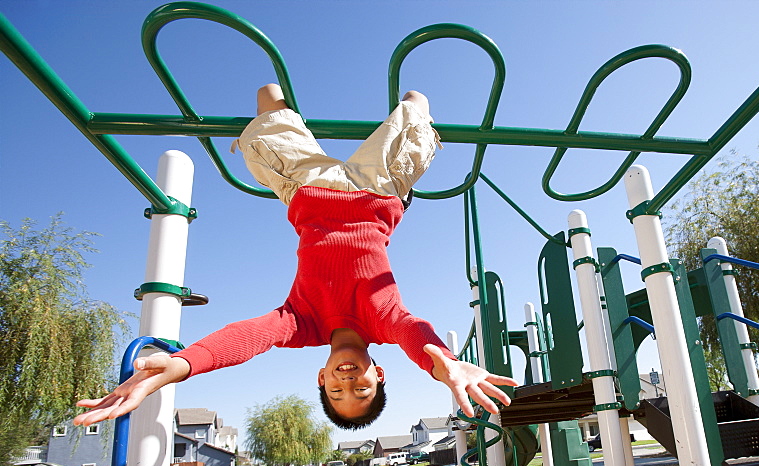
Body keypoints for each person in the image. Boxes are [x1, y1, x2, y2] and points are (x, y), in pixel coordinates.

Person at [74, 84, 515, 429]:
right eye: (360, 392)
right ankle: (404, 110)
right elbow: (413, 332)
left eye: (337, 393)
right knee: (416, 105)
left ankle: (283, 108)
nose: (347, 384)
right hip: (378, 190)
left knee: (268, 97)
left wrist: (183, 364)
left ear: (320, 379)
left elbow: (247, 337)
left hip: (306, 188)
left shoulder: (300, 324)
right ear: (378, 375)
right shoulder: (382, 321)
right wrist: (444, 364)